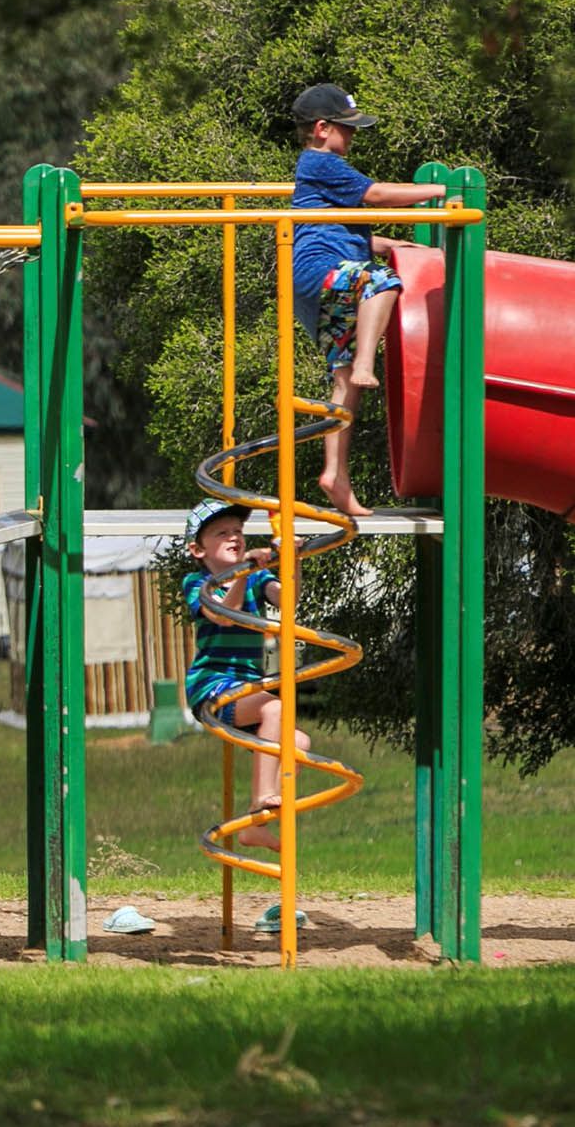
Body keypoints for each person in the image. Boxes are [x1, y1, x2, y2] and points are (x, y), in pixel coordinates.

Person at [291, 83, 447, 517]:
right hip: (320, 273)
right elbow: (376, 195)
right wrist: (439, 196)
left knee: (342, 381)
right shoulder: (320, 163)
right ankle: (365, 363)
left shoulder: (320, 175)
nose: (353, 136)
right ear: (322, 129)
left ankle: (334, 475)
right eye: (348, 128)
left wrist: (395, 243)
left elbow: (348, 234)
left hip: (320, 279)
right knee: (383, 282)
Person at [182, 498, 308, 853]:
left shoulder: (257, 577)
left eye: (237, 530)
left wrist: (292, 560)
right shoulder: (198, 583)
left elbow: (289, 603)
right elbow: (224, 615)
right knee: (276, 710)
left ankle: (256, 826)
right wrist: (243, 575)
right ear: (197, 549)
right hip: (213, 686)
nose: (234, 537)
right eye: (222, 533)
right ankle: (261, 799)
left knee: (298, 745)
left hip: (246, 687)